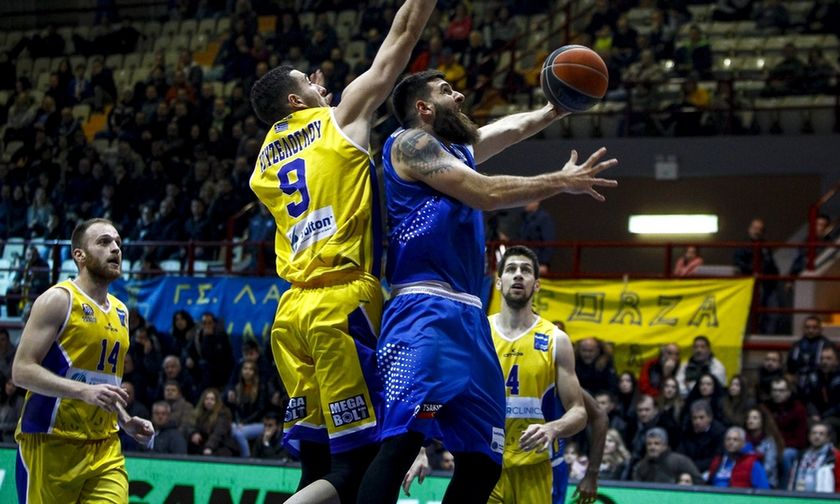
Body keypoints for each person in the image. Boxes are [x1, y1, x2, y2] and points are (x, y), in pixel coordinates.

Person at [357, 68, 617, 503]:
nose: (458, 96)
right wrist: (560, 181)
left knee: (483, 460)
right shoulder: (411, 143)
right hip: (423, 312)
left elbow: (507, 130)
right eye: (445, 92)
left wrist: (554, 110)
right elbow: (485, 193)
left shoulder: (456, 150)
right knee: (402, 445)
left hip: (469, 318)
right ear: (423, 108)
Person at [248, 2, 437, 502]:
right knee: (358, 463)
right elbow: (401, 37)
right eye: (307, 81)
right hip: (343, 300)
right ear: (295, 99)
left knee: (317, 461)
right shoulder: (341, 118)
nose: (318, 80)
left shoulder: (264, 162)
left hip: (292, 312)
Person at [11, 218, 153, 503]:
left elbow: (102, 383)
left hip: (104, 447)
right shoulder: (58, 300)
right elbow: (21, 370)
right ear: (79, 255)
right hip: (51, 442)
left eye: (118, 243)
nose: (115, 249)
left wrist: (124, 420)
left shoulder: (122, 313)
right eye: (103, 242)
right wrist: (82, 392)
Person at [489, 246, 605, 503]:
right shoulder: (479, 333)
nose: (518, 275)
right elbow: (449, 394)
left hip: (536, 467)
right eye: (511, 269)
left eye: (526, 270)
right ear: (498, 282)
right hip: (487, 464)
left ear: (537, 284)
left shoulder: (556, 340)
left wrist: (554, 427)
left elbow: (582, 412)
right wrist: (421, 447)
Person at [632, 428, 703, 484]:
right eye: (649, 444)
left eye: (657, 444)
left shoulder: (680, 461)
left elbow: (698, 481)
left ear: (665, 446)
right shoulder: (641, 466)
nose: (652, 447)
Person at [789, 422, 840, 492]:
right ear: (809, 436)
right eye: (814, 433)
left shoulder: (834, 456)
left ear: (828, 438)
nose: (817, 436)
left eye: (821, 434)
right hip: (799, 498)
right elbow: (792, 479)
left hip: (822, 500)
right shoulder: (801, 455)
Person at [788, 315, 834, 392]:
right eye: (807, 327)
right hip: (799, 383)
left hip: (822, 384)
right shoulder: (796, 345)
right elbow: (789, 369)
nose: (810, 330)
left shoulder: (828, 346)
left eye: (814, 327)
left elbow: (833, 368)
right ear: (803, 329)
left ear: (821, 329)